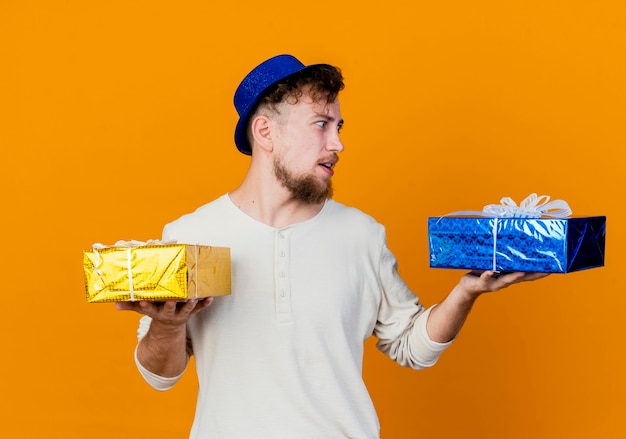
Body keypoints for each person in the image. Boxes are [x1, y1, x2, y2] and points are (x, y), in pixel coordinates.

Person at [116, 54, 547, 438]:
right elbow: (160, 377)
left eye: (338, 127)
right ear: (266, 132)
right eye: (321, 124)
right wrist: (168, 326)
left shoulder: (362, 234)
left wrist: (466, 291)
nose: (337, 143)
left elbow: (411, 347)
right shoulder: (191, 234)